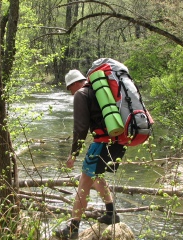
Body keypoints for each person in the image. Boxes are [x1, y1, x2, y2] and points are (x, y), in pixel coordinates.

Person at [54, 69, 126, 239]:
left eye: (69, 88)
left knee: (84, 183)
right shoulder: (101, 91)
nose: (71, 93)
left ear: (74, 84)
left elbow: (80, 127)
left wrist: (73, 154)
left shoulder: (81, 94)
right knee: (97, 176)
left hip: (101, 144)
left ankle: (72, 228)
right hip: (118, 142)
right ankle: (111, 213)